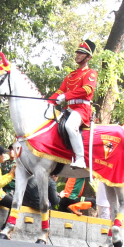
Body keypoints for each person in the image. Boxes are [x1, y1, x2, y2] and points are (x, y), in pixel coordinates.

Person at [47, 39, 98, 169]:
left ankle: (80, 158)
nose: (78, 55)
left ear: (88, 57)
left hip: (82, 108)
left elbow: (87, 89)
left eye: (81, 53)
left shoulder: (90, 73)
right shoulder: (71, 75)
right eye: (77, 53)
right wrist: (47, 102)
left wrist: (66, 96)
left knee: (70, 125)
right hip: (69, 108)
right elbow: (60, 91)